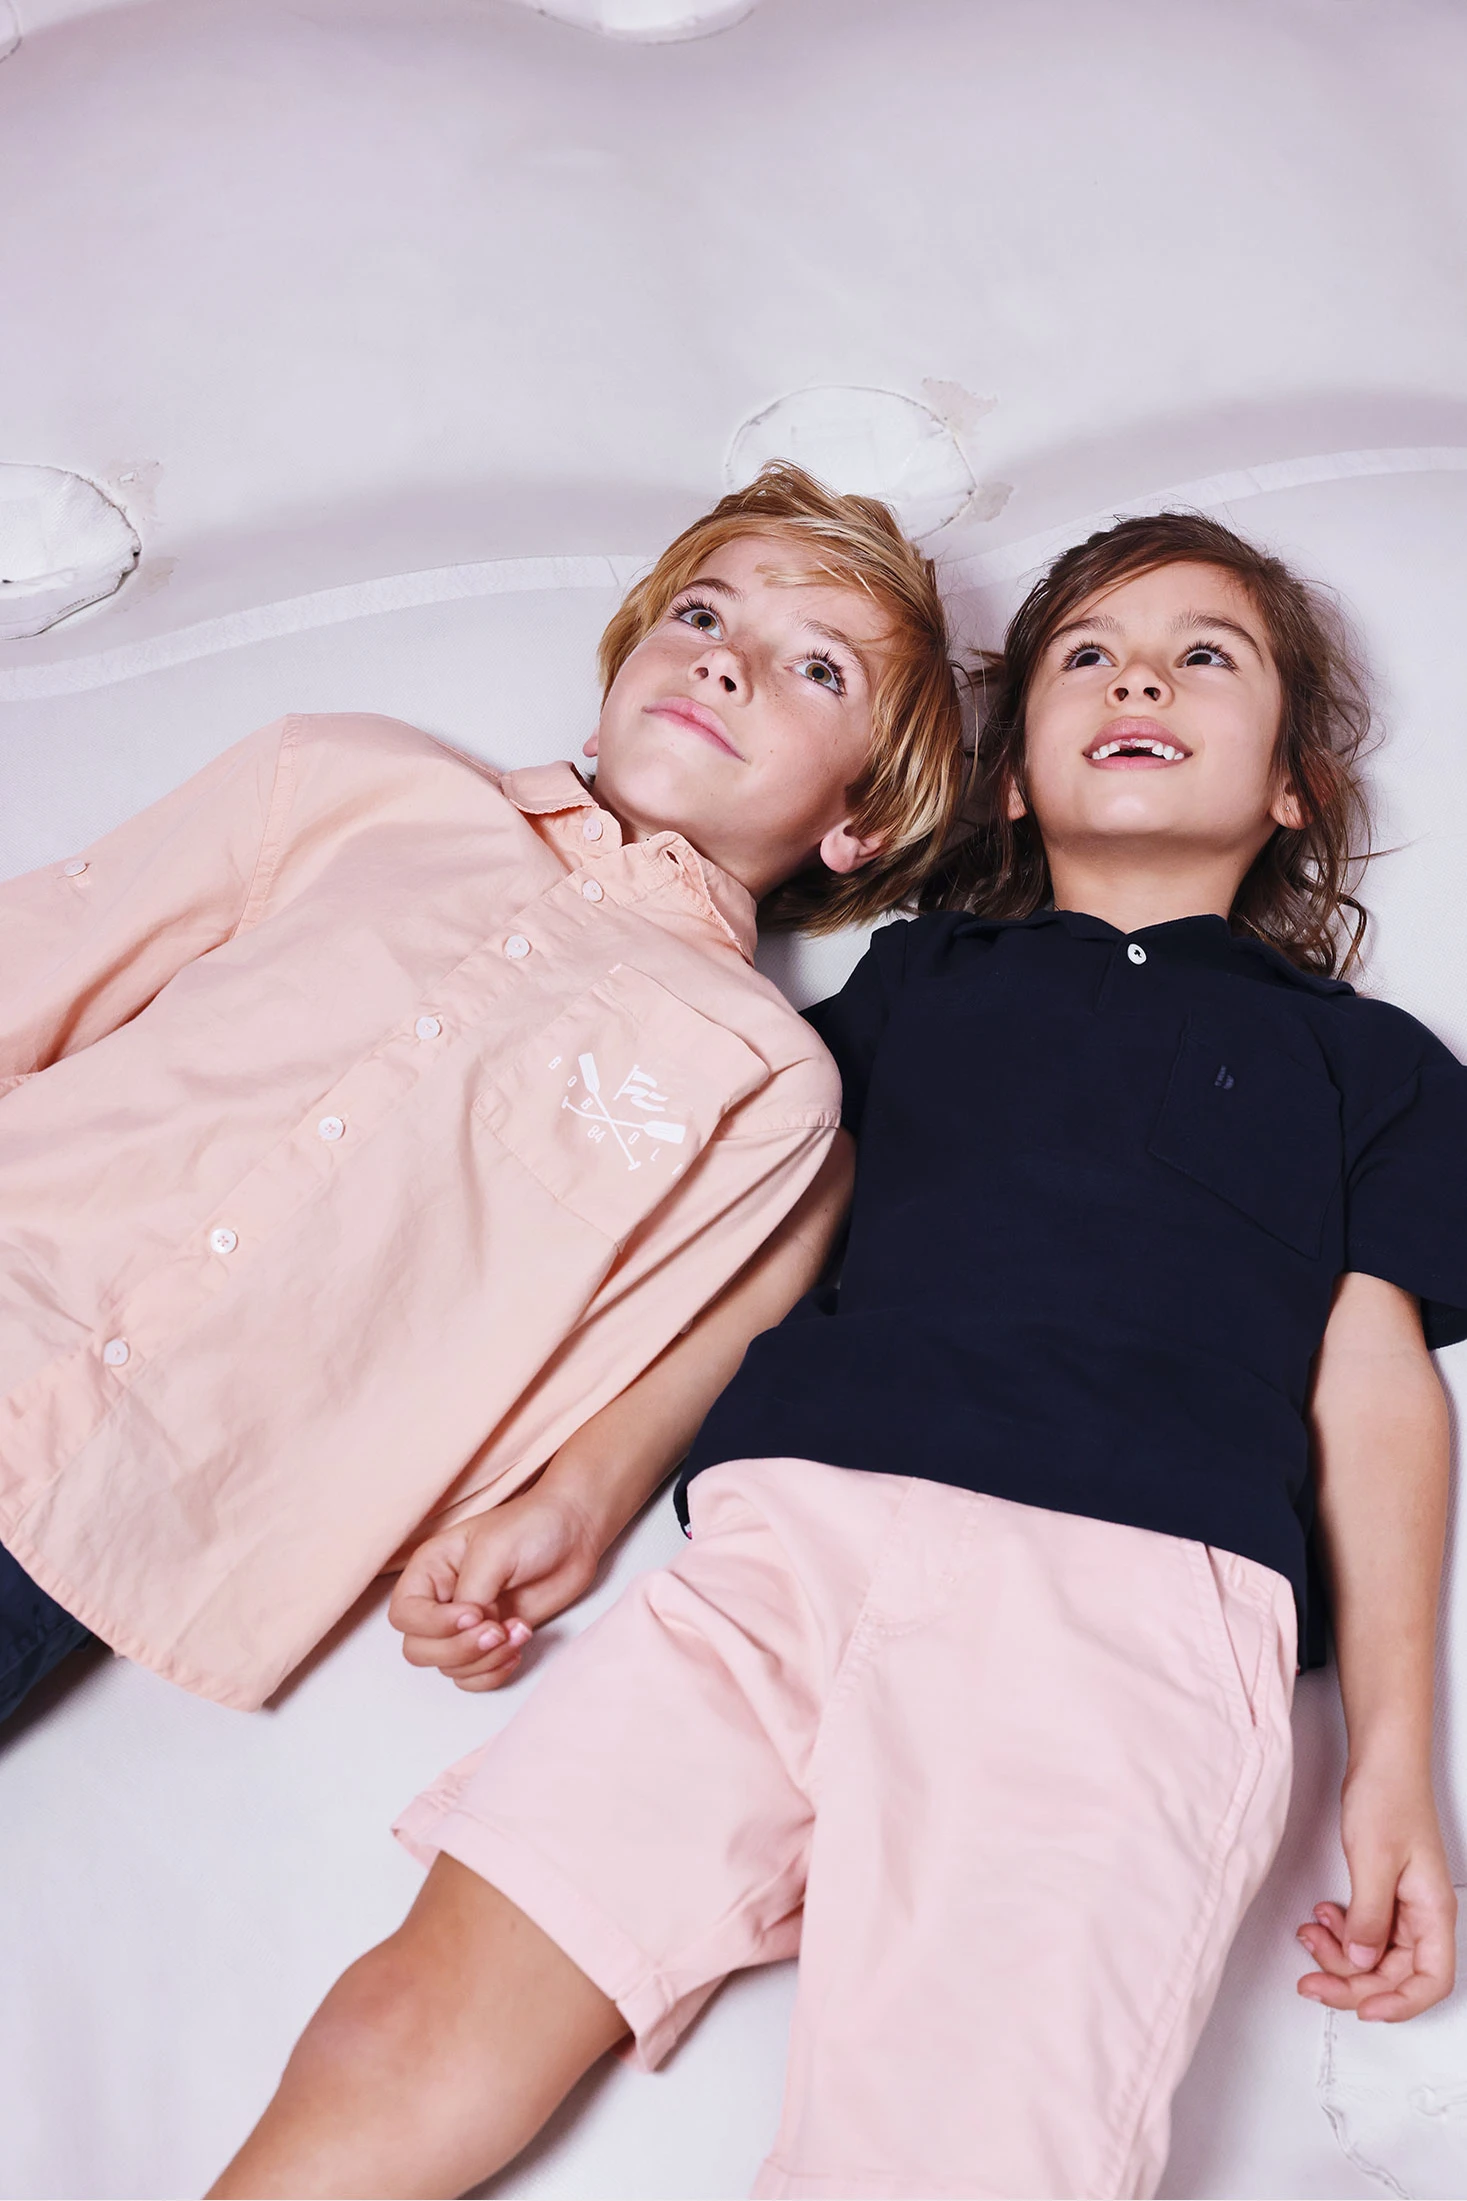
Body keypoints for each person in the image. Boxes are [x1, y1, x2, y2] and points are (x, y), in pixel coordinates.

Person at [210, 513, 1465, 2201]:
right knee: (417, 2014)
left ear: (1292, 787)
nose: (1137, 681)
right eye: (1086, 657)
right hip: (783, 1553)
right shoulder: (912, 983)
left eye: (1200, 656)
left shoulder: (1364, 1063)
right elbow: (760, 1254)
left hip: (1118, 1620)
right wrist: (578, 1495)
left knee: (952, 2155)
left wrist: (1392, 1762)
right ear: (1006, 780)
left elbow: (1374, 1389)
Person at [0, 462, 965, 1724]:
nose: (726, 662)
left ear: (864, 820)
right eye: (703, 613)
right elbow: (42, 966)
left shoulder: (764, 1082)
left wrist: (568, 1506)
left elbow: (614, 1352)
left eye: (818, 667)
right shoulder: (352, 782)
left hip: (110, 1512)